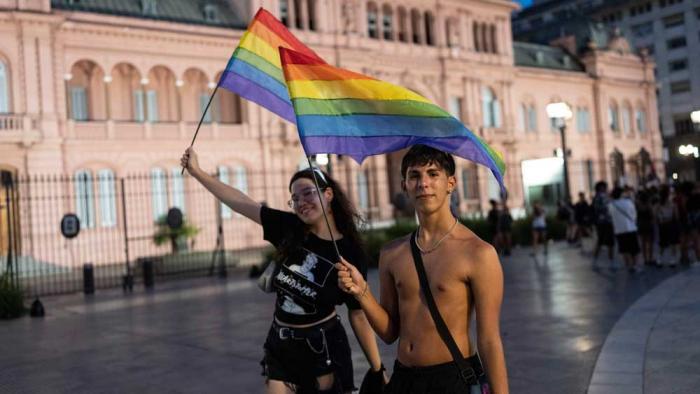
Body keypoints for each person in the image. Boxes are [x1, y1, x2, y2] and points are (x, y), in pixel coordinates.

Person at [181, 148, 383, 394]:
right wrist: (198, 172)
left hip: (322, 345)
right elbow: (241, 203)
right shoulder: (290, 228)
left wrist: (377, 369)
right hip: (281, 342)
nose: (301, 202)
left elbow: (358, 315)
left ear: (328, 194)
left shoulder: (349, 252)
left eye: (308, 193)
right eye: (294, 198)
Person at [336, 145, 508, 394]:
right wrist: (362, 292)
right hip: (403, 379)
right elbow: (389, 332)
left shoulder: (478, 253)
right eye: (414, 176)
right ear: (404, 185)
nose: (423, 183)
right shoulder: (392, 253)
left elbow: (490, 339)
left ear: (451, 183)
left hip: (452, 379)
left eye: (432, 174)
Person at [608, 187, 641, 273]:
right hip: (631, 228)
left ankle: (629, 265)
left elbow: (610, 216)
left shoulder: (611, 205)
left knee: (625, 249)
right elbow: (634, 214)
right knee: (634, 248)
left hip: (619, 230)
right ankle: (635, 265)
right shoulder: (628, 202)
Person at [592, 181, 615, 269]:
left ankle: (597, 261)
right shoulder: (600, 197)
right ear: (601, 188)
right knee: (606, 242)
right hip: (604, 222)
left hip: (604, 222)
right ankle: (609, 262)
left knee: (604, 242)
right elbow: (600, 209)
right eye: (605, 187)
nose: (606, 188)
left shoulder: (601, 196)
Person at [656, 185, 680, 268]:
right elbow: (676, 216)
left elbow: (655, 215)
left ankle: (659, 259)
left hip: (662, 225)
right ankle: (672, 260)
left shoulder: (659, 204)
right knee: (673, 242)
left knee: (663, 243)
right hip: (671, 224)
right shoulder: (672, 204)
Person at [635, 190, 656, 267]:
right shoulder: (648, 205)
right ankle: (650, 258)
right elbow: (653, 215)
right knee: (650, 243)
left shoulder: (637, 205)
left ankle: (645, 259)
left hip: (641, 225)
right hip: (649, 225)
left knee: (643, 243)